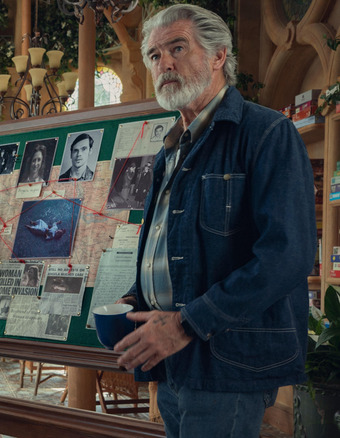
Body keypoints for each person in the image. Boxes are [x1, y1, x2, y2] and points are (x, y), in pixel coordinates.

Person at [113, 5, 316, 438]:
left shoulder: (267, 133)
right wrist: (138, 298)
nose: (163, 63)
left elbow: (287, 256)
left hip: (227, 364)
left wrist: (186, 323)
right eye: (153, 55)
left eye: (177, 48)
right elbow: (176, 246)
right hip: (170, 360)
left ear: (219, 56)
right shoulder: (171, 147)